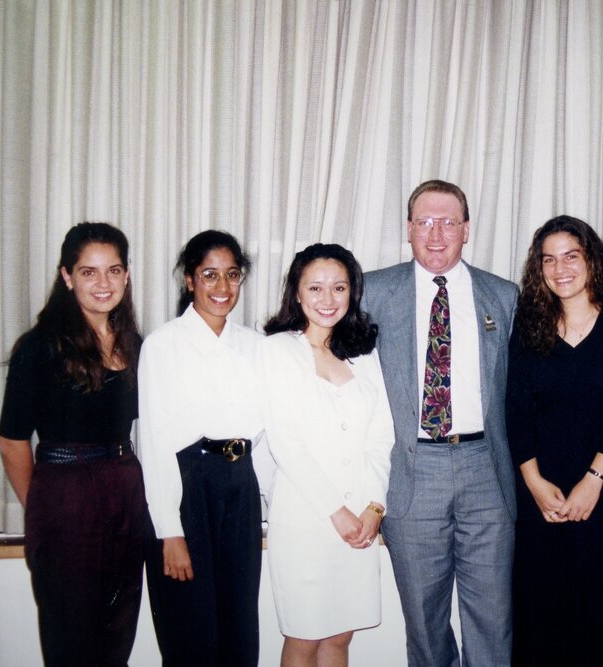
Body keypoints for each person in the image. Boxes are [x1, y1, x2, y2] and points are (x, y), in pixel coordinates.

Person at [361, 179, 518, 666]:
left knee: (493, 616)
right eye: (425, 222)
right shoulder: (372, 291)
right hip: (412, 469)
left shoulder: (504, 295)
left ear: (466, 230)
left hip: (485, 469)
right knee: (424, 621)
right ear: (408, 229)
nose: (436, 234)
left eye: (448, 222)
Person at [0, 222, 146, 665]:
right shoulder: (39, 348)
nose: (103, 283)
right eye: (88, 272)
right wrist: (43, 507)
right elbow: (11, 441)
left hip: (125, 489)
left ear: (127, 275)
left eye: (113, 270)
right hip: (66, 498)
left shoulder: (136, 345)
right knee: (72, 642)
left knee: (116, 635)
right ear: (67, 277)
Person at [506, 216, 603, 665]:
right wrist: (532, 481)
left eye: (571, 255)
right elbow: (515, 409)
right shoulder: (529, 323)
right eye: (548, 259)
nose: (560, 268)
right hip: (542, 494)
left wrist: (594, 480)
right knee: (541, 614)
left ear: (592, 259)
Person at [257, 243, 394, 666]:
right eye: (315, 288)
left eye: (338, 287)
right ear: (296, 293)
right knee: (304, 637)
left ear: (352, 293)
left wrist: (374, 506)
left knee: (339, 637)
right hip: (306, 519)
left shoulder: (364, 354)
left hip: (360, 516)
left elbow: (381, 436)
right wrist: (337, 512)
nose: (327, 299)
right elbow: (286, 442)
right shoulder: (278, 350)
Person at [138, 230, 264, 666]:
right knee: (190, 629)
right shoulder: (163, 345)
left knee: (239, 625)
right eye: (210, 275)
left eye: (232, 275)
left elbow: (264, 434)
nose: (222, 287)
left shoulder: (254, 345)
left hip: (240, 487)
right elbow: (153, 442)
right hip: (187, 487)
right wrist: (169, 530)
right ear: (189, 280)